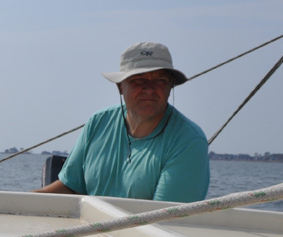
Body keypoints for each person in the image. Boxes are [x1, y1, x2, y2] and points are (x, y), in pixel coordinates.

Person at [35, 41, 210, 202]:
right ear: (120, 86)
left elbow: (162, 217)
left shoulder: (188, 141)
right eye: (138, 80)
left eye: (160, 81)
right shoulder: (98, 122)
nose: (149, 89)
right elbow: (70, 187)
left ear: (170, 86)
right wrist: (22, 203)